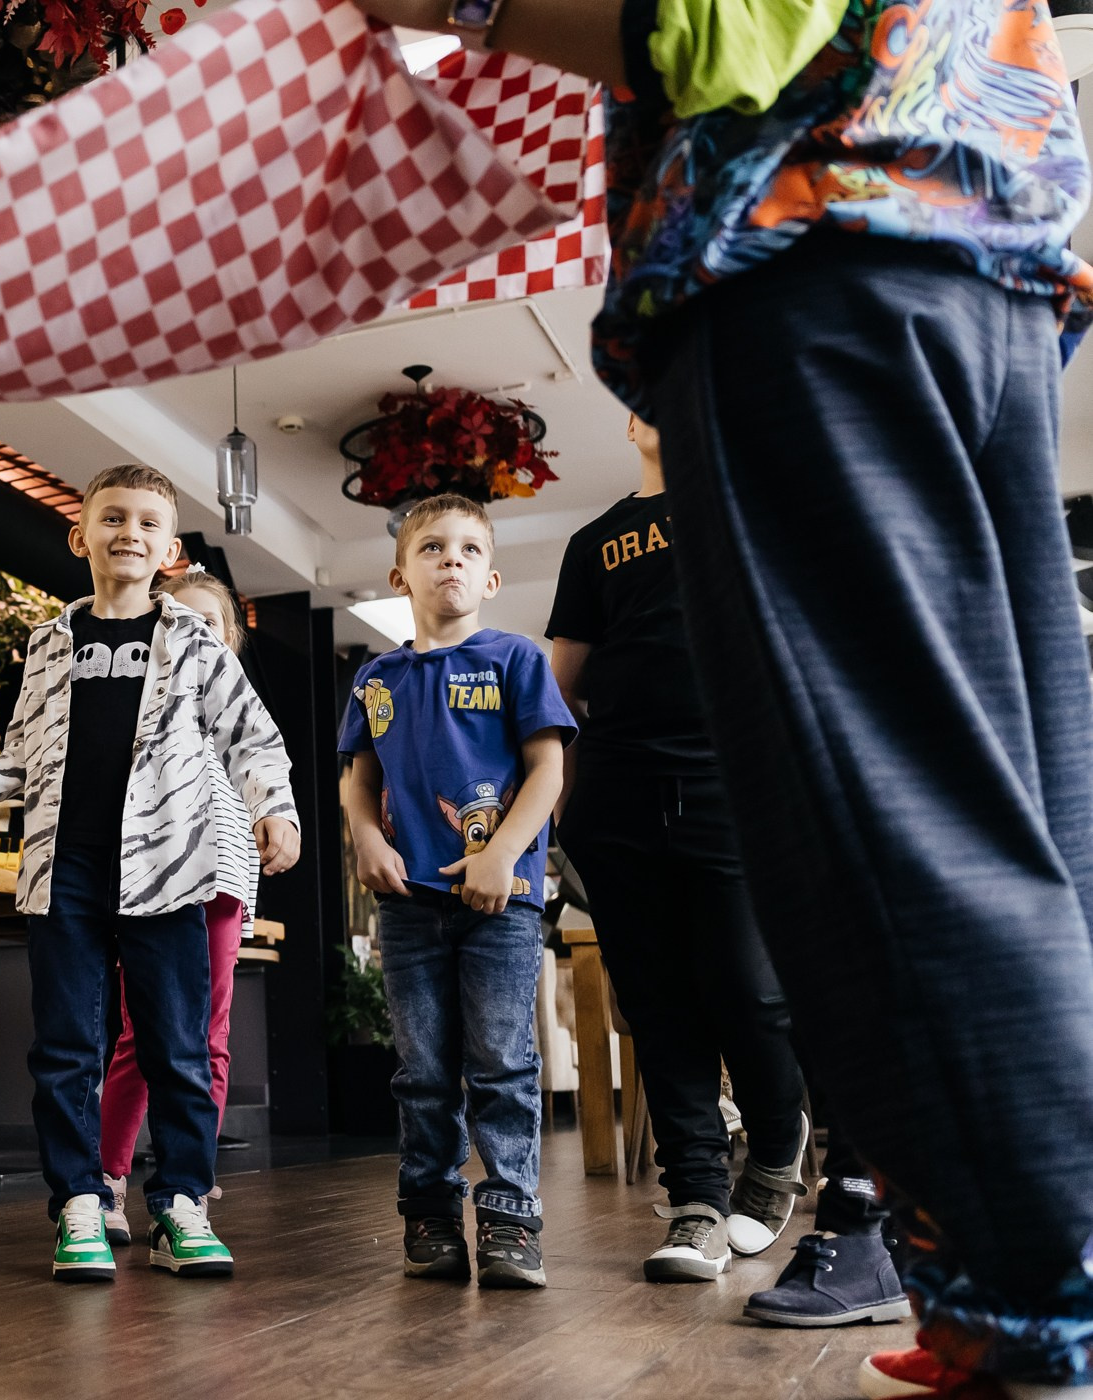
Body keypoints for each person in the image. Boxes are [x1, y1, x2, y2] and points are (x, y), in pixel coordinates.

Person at [354, 1, 1093, 1393]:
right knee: (1018, 805)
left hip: (810, 252)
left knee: (884, 838)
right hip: (969, 246)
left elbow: (728, 30)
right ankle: (1027, 1297)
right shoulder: (586, 560)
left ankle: (1036, 1318)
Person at [0, 464, 300, 1283]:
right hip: (65, 870)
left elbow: (252, 737)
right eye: (112, 518)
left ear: (170, 549)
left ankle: (182, 1203)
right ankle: (80, 1201)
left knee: (178, 1046)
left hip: (166, 868)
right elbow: (22, 757)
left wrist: (278, 810)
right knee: (65, 1047)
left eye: (148, 523)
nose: (129, 533)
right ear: (80, 536)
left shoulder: (192, 640)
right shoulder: (51, 642)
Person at [547, 412, 818, 1284]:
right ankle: (697, 1200)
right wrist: (564, 804)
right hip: (622, 788)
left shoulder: (759, 505)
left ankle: (776, 1145)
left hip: (735, 781)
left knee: (747, 989)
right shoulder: (596, 540)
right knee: (659, 1010)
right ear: (629, 416)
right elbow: (563, 685)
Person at [339, 493, 576, 1290]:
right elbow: (357, 776)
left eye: (469, 550)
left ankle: (511, 1220)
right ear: (399, 574)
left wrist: (503, 853)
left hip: (501, 903)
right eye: (433, 547)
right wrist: (367, 837)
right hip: (408, 905)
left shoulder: (516, 661)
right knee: (423, 1069)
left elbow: (549, 768)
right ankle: (431, 1216)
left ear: (493, 577)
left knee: (502, 1062)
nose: (452, 559)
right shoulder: (377, 677)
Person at [97, 566, 258, 1246]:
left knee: (210, 1037)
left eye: (209, 624)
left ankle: (186, 1182)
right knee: (143, 1033)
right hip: (156, 884)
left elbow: (264, 779)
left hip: (222, 880)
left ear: (231, 640)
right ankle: (104, 1179)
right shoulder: (142, 703)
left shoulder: (242, 709)